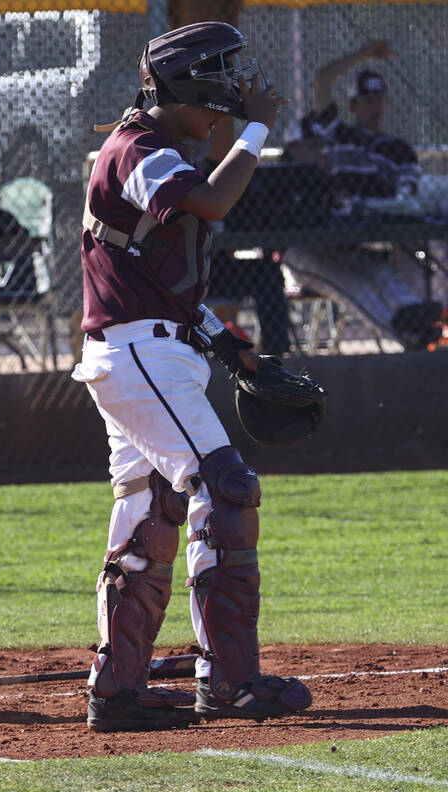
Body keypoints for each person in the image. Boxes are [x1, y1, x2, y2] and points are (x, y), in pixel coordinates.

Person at [74, 22, 312, 732]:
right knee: (225, 488)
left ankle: (118, 690)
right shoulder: (137, 147)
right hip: (140, 355)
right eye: (224, 75)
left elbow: (163, 287)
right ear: (185, 82)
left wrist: (231, 346)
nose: (235, 88)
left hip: (141, 350)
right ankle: (232, 684)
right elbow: (210, 200)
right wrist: (259, 128)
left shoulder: (152, 150)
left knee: (150, 511)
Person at [281, 41, 441, 351]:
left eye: (379, 98)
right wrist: (363, 54)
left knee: (379, 268)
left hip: (346, 242)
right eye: (366, 99)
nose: (374, 105)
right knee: (354, 284)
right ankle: (410, 337)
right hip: (305, 251)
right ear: (353, 105)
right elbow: (323, 79)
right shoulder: (337, 136)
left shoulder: (398, 149)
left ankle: (413, 314)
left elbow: (407, 194)